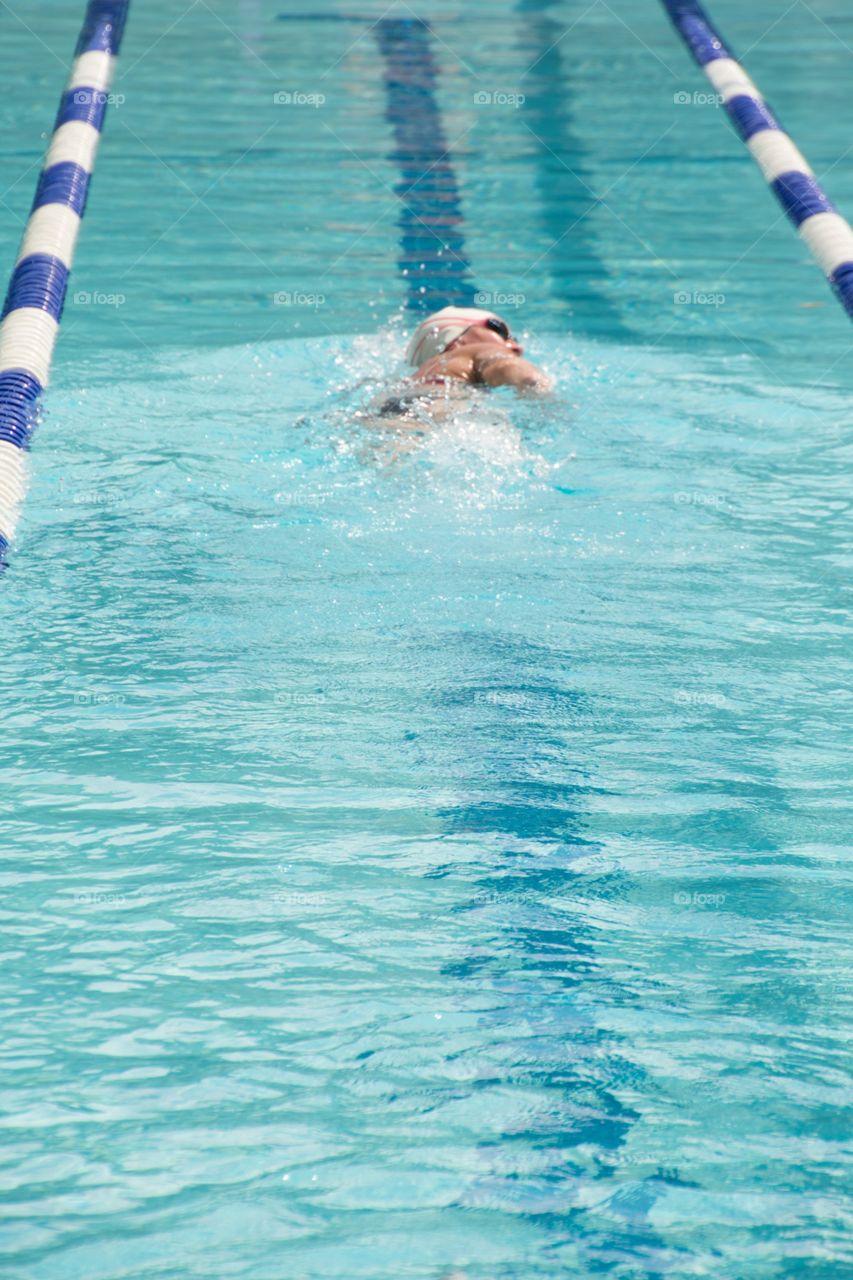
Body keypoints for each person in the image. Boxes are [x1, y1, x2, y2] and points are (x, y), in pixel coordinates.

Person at [376, 305, 552, 423]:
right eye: (501, 332)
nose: (516, 347)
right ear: (455, 340)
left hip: (382, 413)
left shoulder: (413, 380)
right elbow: (526, 377)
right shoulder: (477, 350)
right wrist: (547, 405)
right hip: (437, 408)